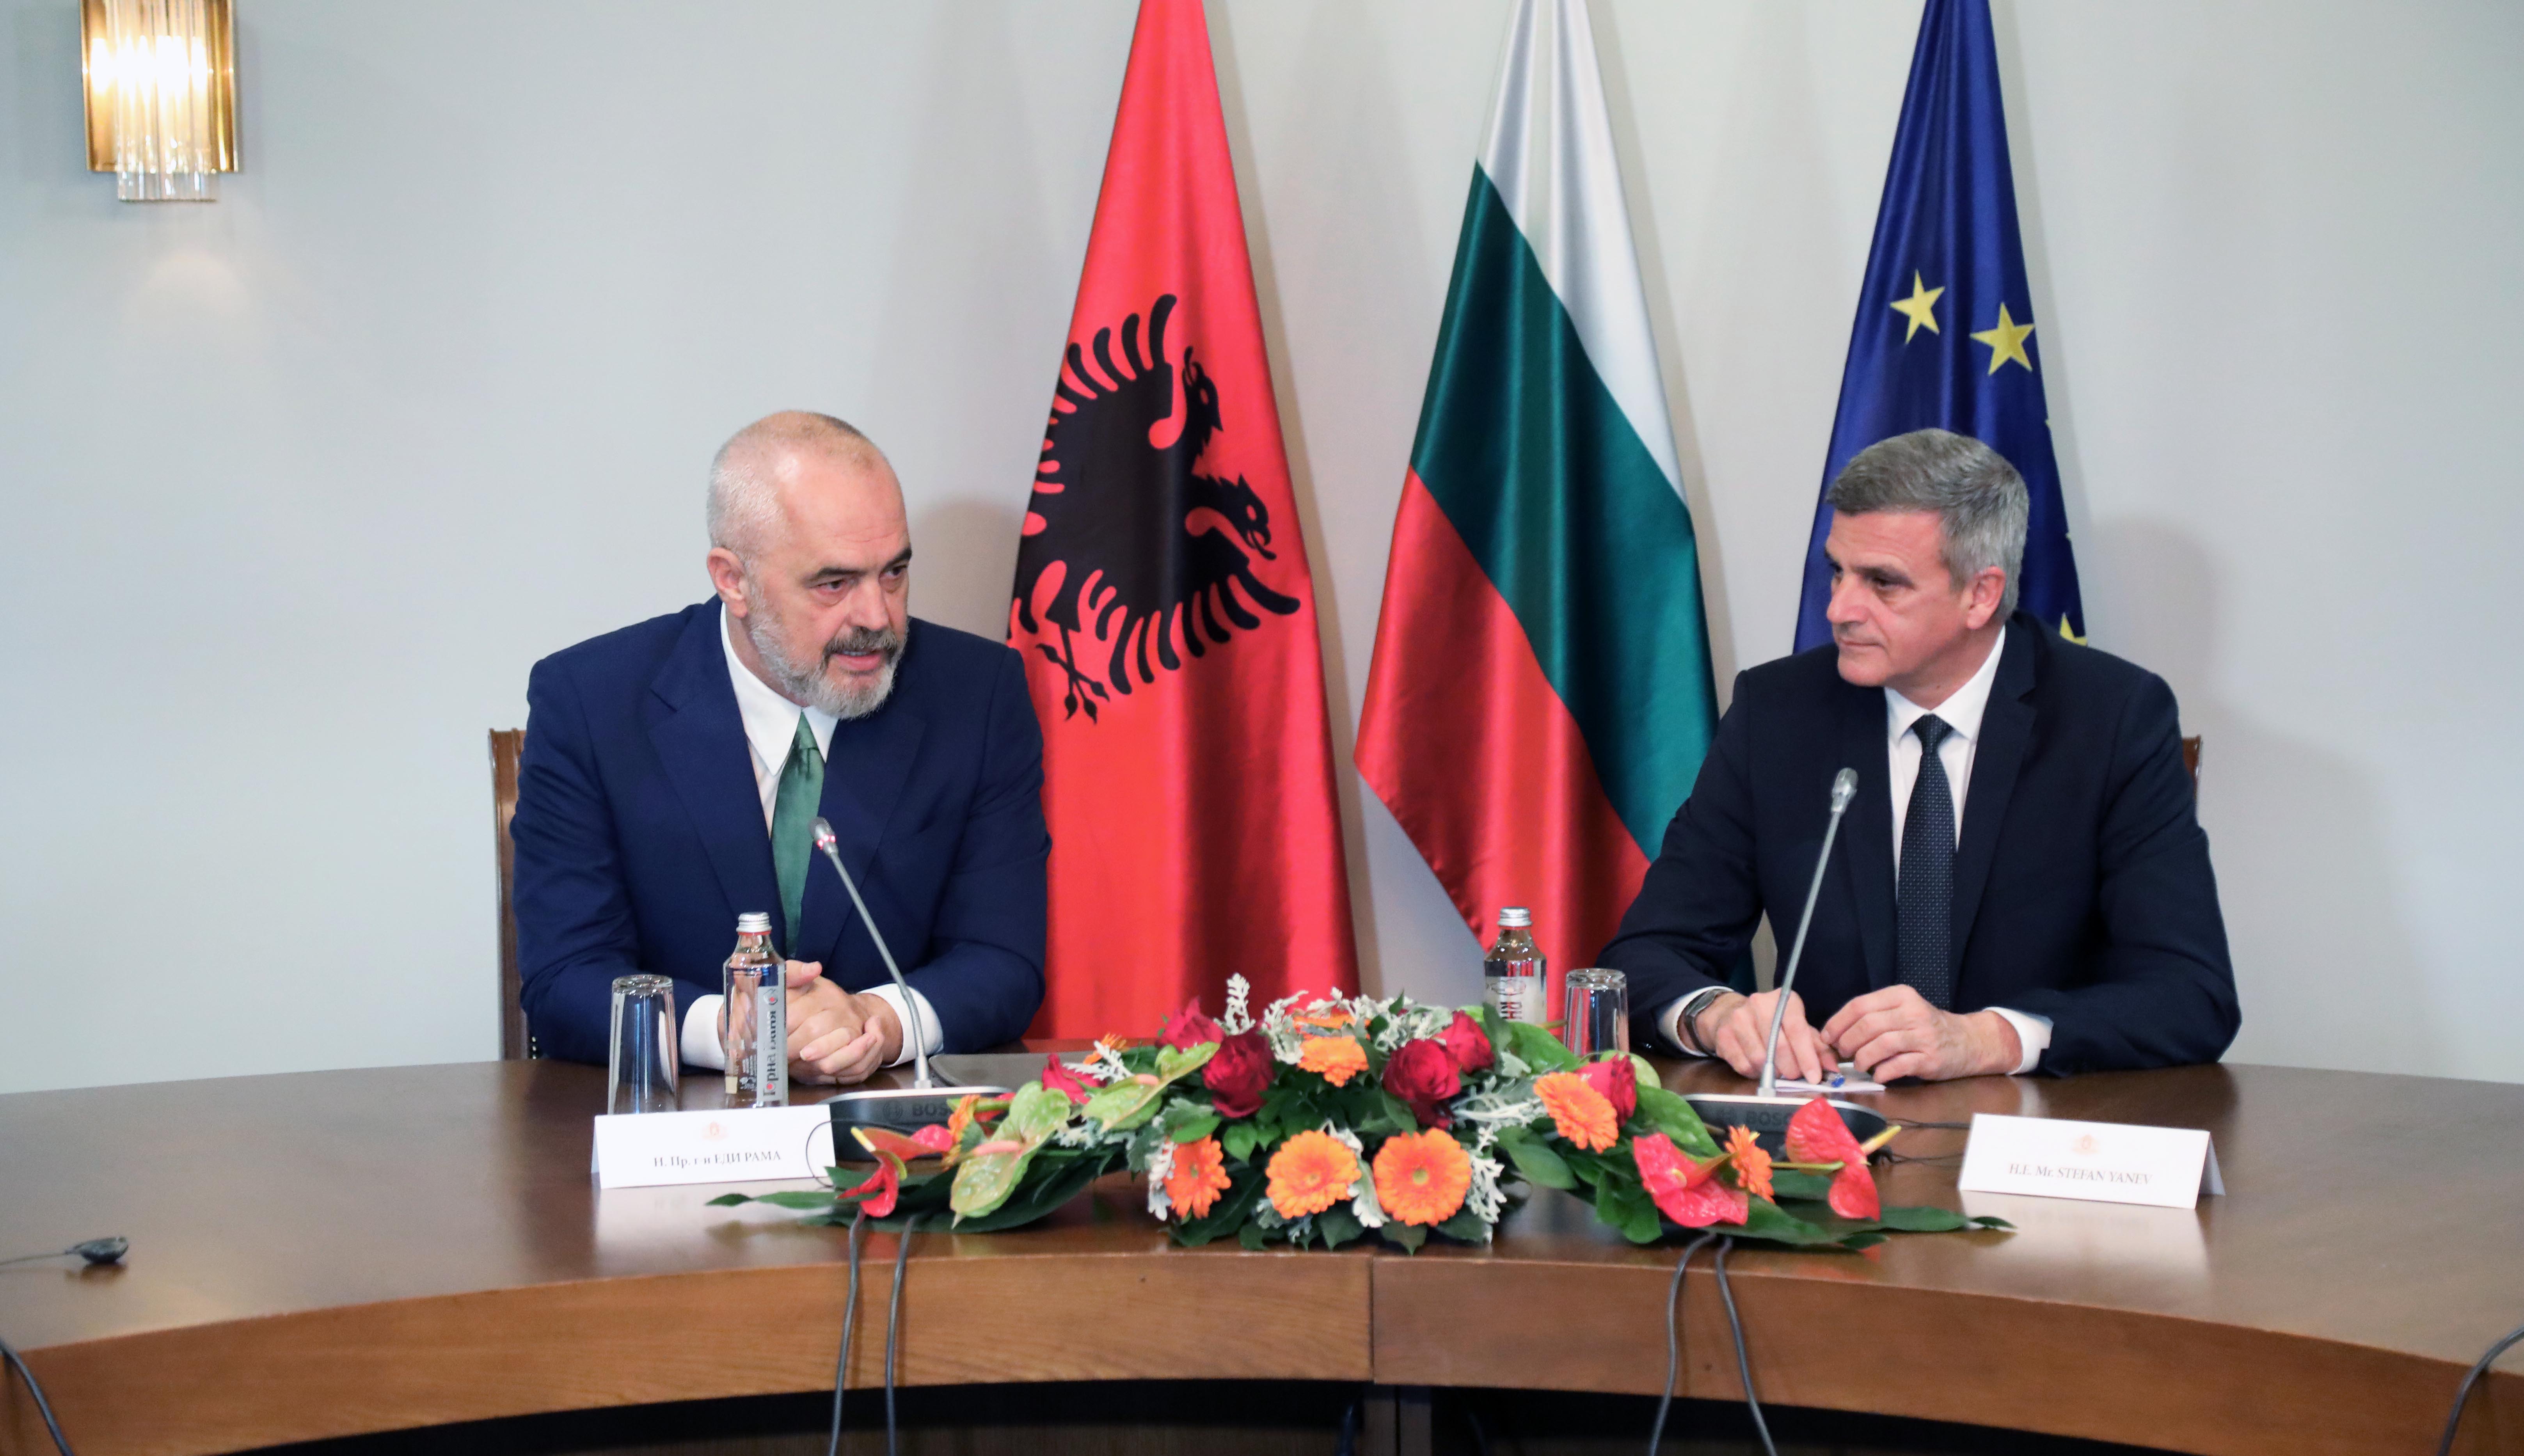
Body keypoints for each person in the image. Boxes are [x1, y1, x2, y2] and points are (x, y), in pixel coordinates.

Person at [1603, 428, 2237, 1081]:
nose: (1838, 608)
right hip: (1829, 1125)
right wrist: (1714, 1014)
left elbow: (2191, 995)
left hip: (2037, 1127)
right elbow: (1644, 957)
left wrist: (1989, 1039)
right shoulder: (1778, 714)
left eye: (1882, 582)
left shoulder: (2109, 717)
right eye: (1837, 571)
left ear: (1979, 595)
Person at [511, 412, 1048, 1080]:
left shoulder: (977, 694)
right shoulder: (592, 701)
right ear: (732, 580)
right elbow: (565, 976)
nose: (877, 617)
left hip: (897, 1122)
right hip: (681, 1120)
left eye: (894, 573)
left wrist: (878, 1022)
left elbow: (1003, 959)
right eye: (834, 584)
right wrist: (735, 1030)